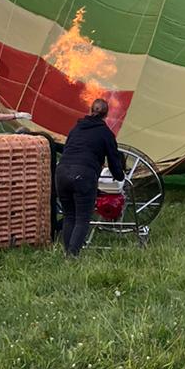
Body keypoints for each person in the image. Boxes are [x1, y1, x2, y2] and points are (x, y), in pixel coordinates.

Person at [55, 97, 127, 258]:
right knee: (82, 218)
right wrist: (120, 177)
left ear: (90, 110)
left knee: (69, 216)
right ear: (106, 115)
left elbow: (68, 149)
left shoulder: (76, 128)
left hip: (62, 172)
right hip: (83, 175)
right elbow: (114, 160)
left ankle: (68, 253)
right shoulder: (105, 133)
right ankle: (72, 256)